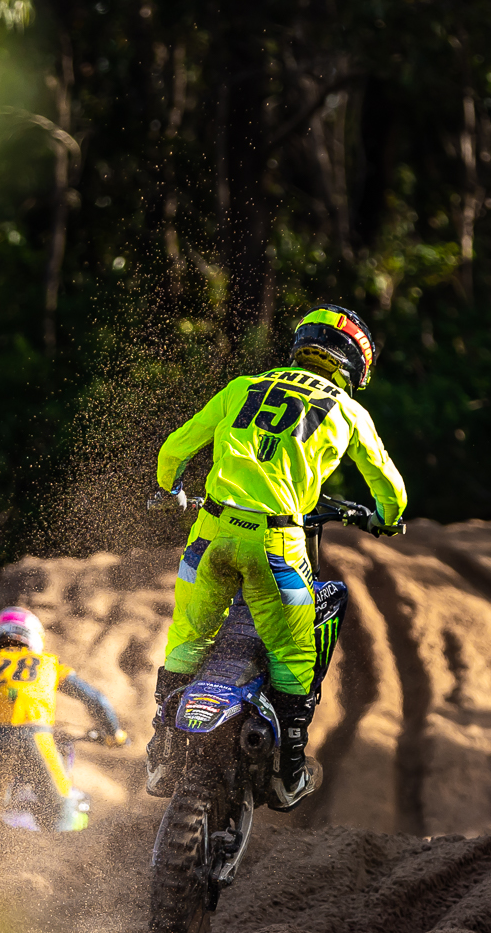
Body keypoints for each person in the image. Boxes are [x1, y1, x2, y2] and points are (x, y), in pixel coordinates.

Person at [146, 304, 408, 808]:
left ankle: (162, 747)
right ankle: (289, 771)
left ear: (302, 344)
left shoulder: (243, 386)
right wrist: (387, 517)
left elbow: (174, 450)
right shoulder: (348, 411)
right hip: (275, 544)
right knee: (294, 659)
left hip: (210, 534)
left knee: (187, 641)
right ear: (356, 365)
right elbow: (390, 488)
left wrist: (171, 489)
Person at [0, 607, 129, 832]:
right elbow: (97, 700)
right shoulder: (49, 664)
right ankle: (58, 851)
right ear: (34, 638)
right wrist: (114, 734)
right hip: (37, 738)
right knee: (60, 807)